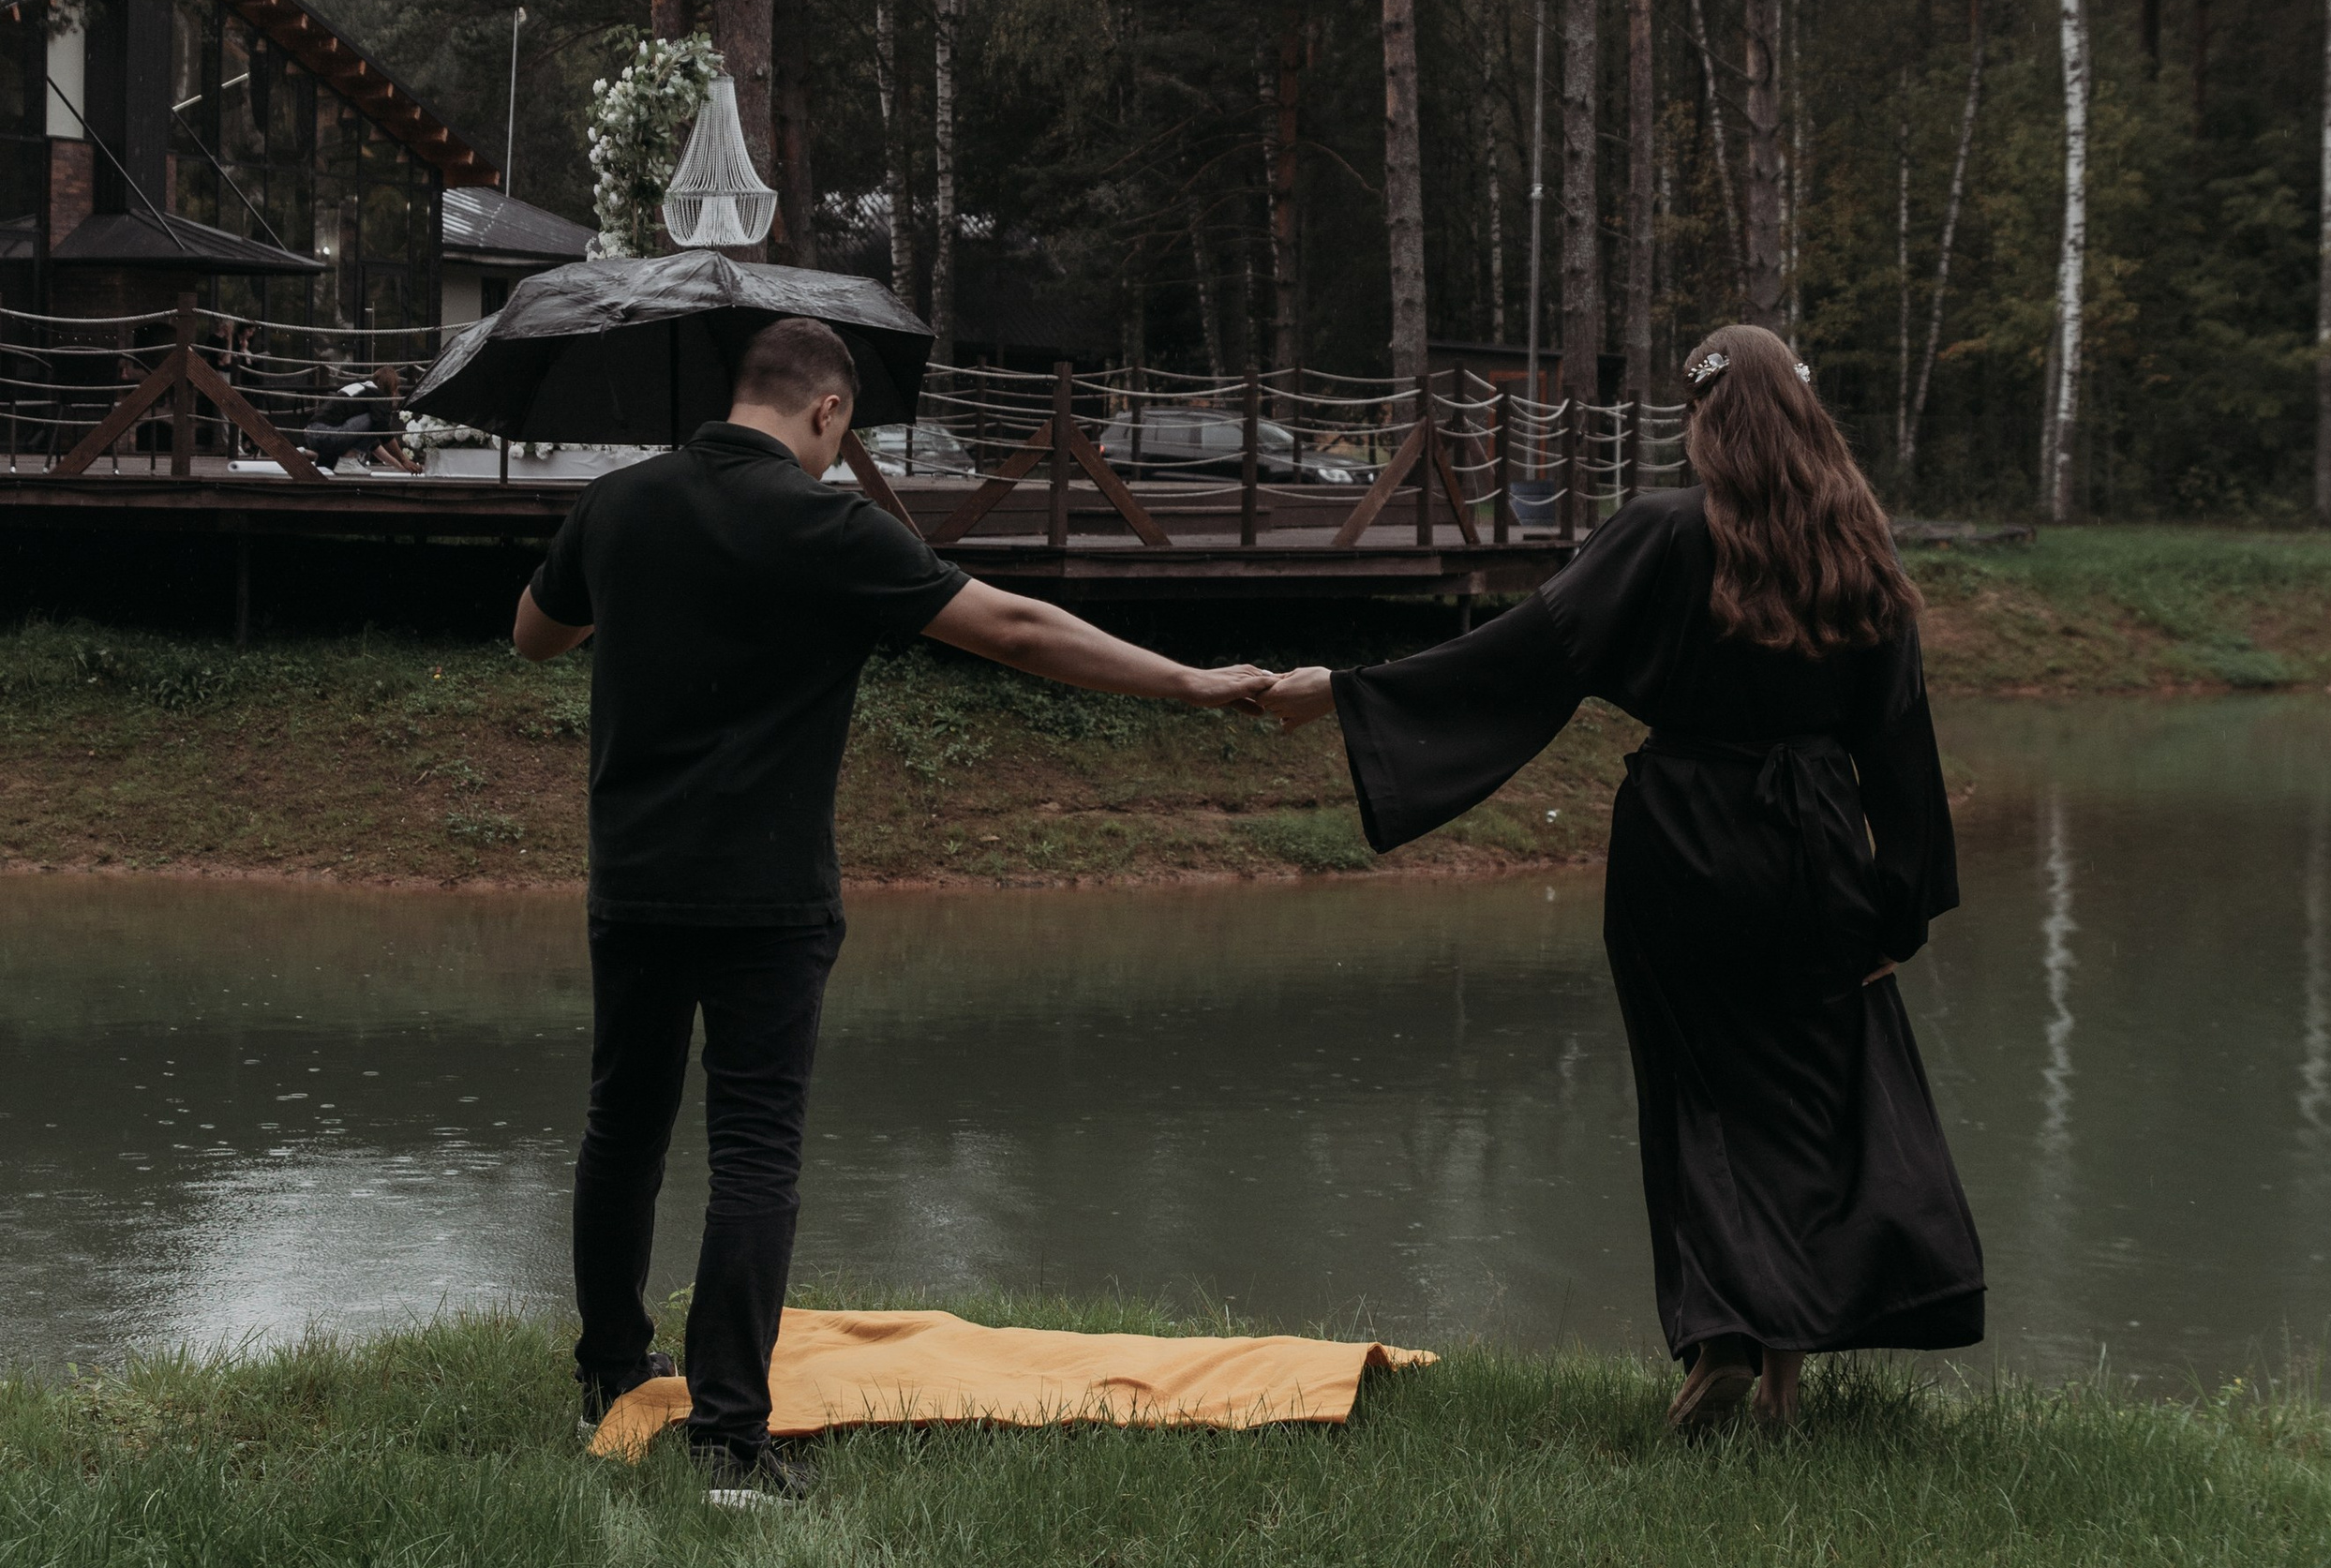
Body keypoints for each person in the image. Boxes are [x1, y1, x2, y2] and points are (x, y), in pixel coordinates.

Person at [515, 314, 1273, 1505]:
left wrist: (648, 581)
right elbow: (1013, 628)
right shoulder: (826, 521)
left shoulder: (618, 504)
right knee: (753, 1145)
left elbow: (532, 634)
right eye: (843, 430)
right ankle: (728, 1443)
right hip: (767, 893)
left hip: (636, 879)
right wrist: (1188, 680)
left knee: (625, 1124)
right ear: (827, 410)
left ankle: (613, 1368)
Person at [1261, 324, 1982, 1438]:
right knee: (1800, 1100)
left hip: (1685, 844)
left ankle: (1722, 1338)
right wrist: (1901, 902)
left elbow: (1530, 654)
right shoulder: (1859, 541)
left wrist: (1355, 692)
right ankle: (1781, 1376)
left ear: (1706, 420)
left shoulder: (1659, 530)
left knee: (1697, 1091)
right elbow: (1900, 736)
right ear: (1803, 416)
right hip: (1818, 848)